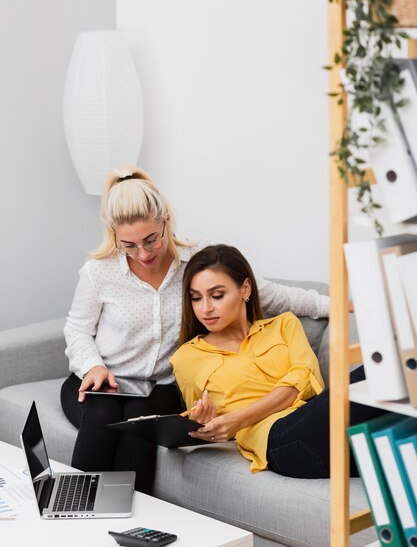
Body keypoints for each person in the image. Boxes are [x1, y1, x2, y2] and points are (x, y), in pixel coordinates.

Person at [61, 167, 330, 493]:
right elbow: (76, 328)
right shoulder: (99, 272)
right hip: (102, 381)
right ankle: (70, 510)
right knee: (103, 414)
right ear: (114, 236)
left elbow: (267, 293)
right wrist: (93, 366)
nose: (143, 254)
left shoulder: (196, 260)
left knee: (140, 423)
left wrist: (334, 305)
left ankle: (137, 521)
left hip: (159, 387)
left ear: (167, 221)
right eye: (129, 246)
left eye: (151, 240)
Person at [170, 244, 385, 478]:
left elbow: (306, 379)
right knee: (381, 371)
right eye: (195, 298)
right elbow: (197, 421)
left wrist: (237, 418)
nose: (205, 309)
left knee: (391, 392)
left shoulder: (284, 325)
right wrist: (204, 422)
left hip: (319, 428)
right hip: (280, 443)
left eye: (217, 295)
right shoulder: (186, 357)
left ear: (245, 289)